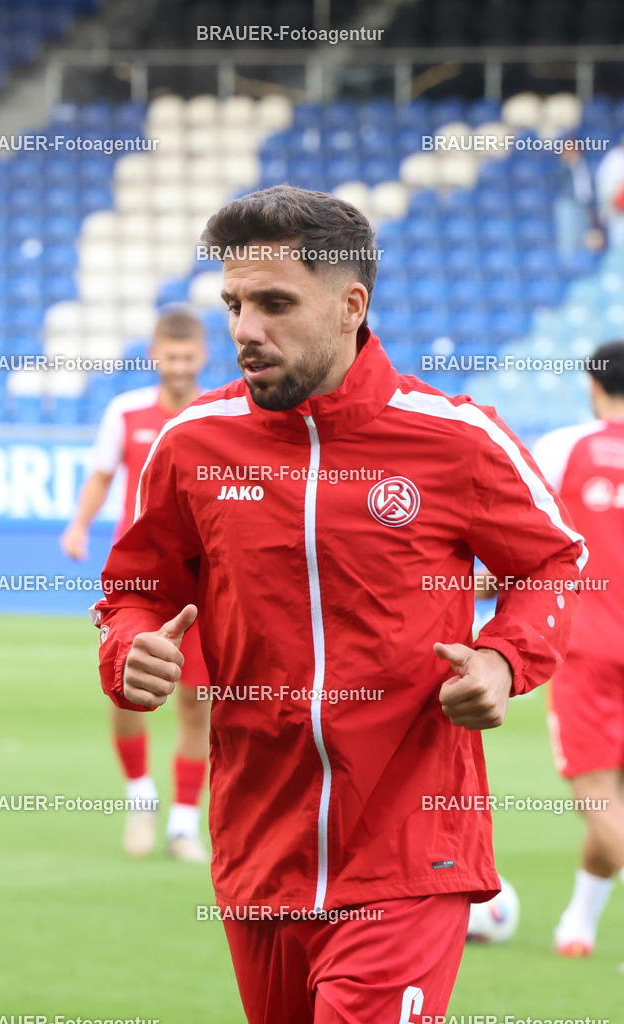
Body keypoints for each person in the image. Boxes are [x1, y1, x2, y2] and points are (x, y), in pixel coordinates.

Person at [93, 185, 585, 1021]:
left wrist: (504, 659)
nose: (245, 330)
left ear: (351, 304)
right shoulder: (190, 447)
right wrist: (129, 646)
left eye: (274, 303)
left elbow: (555, 566)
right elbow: (135, 591)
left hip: (408, 850)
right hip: (258, 850)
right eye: (235, 304)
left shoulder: (455, 440)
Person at [61, 305, 211, 862]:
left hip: (202, 584)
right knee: (125, 689)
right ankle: (141, 799)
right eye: (170, 355)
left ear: (202, 356)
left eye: (188, 356)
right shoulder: (125, 413)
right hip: (137, 582)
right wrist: (79, 525)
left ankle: (184, 824)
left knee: (198, 700)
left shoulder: (217, 413)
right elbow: (102, 476)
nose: (179, 365)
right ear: (155, 356)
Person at [530, 341, 624, 957]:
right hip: (594, 650)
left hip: (586, 649)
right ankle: (579, 923)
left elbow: (527, 542)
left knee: (599, 799)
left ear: (593, 384)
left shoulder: (562, 449)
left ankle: (578, 923)